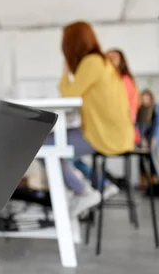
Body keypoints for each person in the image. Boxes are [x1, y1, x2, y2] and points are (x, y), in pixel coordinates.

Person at [47, 21, 133, 216]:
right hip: (111, 132)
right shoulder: (100, 62)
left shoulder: (91, 62)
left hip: (104, 135)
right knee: (48, 145)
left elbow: (67, 96)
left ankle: (82, 191)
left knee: (40, 145)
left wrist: (65, 71)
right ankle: (78, 190)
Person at [106, 48, 140, 143]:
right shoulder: (110, 80)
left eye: (113, 57)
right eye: (106, 58)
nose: (109, 60)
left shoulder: (124, 80)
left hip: (123, 128)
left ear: (121, 61)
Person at [136, 89, 159, 193]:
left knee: (151, 159)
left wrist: (154, 138)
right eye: (143, 98)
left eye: (147, 98)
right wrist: (141, 139)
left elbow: (157, 126)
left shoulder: (155, 110)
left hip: (152, 138)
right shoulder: (139, 110)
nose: (145, 100)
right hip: (142, 139)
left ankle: (154, 182)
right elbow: (137, 126)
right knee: (141, 160)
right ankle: (144, 183)